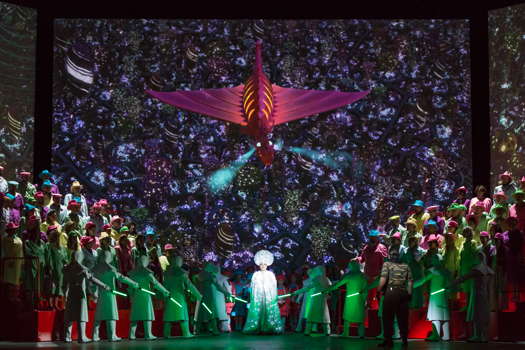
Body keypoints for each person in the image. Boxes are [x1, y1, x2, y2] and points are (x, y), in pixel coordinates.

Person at [92, 250, 139, 342]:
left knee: (98, 315)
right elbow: (121, 277)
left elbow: (92, 281)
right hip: (110, 294)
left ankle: (95, 335)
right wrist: (133, 283)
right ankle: (112, 335)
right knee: (111, 315)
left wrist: (93, 293)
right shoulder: (111, 268)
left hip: (100, 294)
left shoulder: (95, 268)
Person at [63, 250, 109, 343]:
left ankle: (67, 337)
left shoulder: (66, 268)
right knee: (81, 316)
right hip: (80, 294)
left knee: (69, 316)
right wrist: (103, 285)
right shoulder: (82, 268)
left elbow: (65, 283)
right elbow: (92, 279)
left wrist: (65, 293)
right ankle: (81, 337)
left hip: (71, 293)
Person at [450, 252, 494, 342]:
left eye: (475, 257)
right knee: (482, 314)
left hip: (477, 294)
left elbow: (465, 277)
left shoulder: (478, 269)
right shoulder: (487, 270)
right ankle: (482, 335)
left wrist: (453, 283)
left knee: (477, 315)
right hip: (484, 294)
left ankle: (478, 336)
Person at [377, 247, 413, 348]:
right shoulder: (406, 266)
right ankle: (404, 340)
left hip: (391, 292)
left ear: (389, 255)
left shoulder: (387, 264)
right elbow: (410, 281)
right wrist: (409, 294)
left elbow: (383, 278)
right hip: (403, 292)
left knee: (388, 318)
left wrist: (378, 290)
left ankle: (388, 341)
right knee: (403, 318)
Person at [128, 254, 170, 340]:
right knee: (147, 316)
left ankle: (131, 335)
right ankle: (148, 334)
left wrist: (131, 296)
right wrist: (164, 290)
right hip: (145, 296)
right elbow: (156, 284)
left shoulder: (133, 273)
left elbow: (130, 287)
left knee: (135, 316)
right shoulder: (147, 273)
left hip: (136, 296)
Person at [243, 250, 283, 334]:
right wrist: (253, 297)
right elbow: (253, 287)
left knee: (268, 311)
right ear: (259, 265)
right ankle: (258, 327)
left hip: (268, 298)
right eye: (261, 264)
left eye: (265, 264)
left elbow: (273, 286)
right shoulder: (256, 274)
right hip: (258, 298)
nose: (263, 266)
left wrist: (274, 297)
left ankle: (268, 327)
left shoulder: (270, 274)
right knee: (258, 311)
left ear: (267, 265)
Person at [325, 261, 368, 338]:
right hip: (359, 299)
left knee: (347, 318)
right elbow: (366, 289)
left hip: (350, 300)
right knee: (360, 319)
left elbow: (338, 284)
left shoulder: (349, 276)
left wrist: (329, 289)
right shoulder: (363, 276)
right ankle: (361, 334)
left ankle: (346, 333)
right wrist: (365, 299)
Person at [163, 255, 202, 338]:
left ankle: (166, 333)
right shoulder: (182, 273)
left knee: (168, 316)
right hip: (179, 297)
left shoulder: (167, 273)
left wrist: (163, 295)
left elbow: (164, 285)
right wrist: (198, 295)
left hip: (169, 297)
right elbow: (190, 285)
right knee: (183, 316)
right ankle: (186, 333)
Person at [413, 254, 451, 341]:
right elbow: (450, 283)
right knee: (444, 315)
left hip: (435, 296)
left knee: (435, 315)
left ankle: (436, 335)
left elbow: (423, 280)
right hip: (443, 295)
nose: (432, 261)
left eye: (433, 259)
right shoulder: (446, 271)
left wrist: (412, 285)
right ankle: (446, 336)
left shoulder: (433, 271)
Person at [194, 263, 231, 335]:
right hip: (209, 296)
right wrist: (226, 292)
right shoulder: (210, 276)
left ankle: (196, 330)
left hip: (201, 296)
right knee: (212, 313)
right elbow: (217, 286)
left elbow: (197, 286)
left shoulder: (199, 276)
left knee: (200, 313)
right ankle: (214, 330)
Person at [354, 229, 388, 310]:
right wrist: (357, 259)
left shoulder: (381, 248)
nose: (372, 239)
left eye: (374, 237)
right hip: (368, 277)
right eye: (371, 237)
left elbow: (385, 263)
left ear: (377, 238)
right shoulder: (366, 247)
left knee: (379, 295)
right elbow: (362, 258)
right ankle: (368, 313)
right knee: (368, 295)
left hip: (378, 278)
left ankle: (380, 313)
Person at [44, 226, 68, 310]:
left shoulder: (61, 248)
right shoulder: (49, 245)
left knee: (59, 287)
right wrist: (50, 267)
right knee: (52, 287)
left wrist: (66, 265)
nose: (56, 238)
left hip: (60, 269)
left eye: (57, 236)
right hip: (53, 268)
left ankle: (56, 304)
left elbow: (65, 258)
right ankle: (50, 304)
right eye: (55, 236)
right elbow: (48, 257)